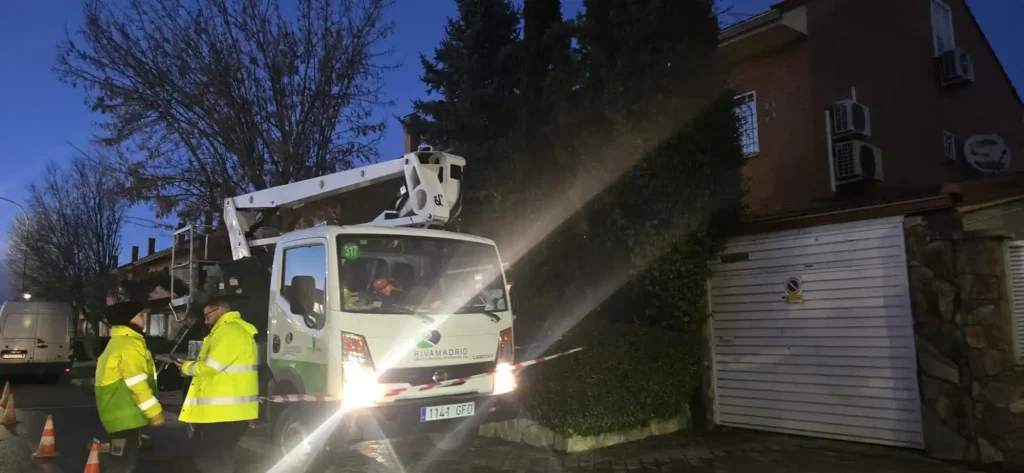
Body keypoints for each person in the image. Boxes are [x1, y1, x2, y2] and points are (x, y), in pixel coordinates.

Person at [175, 296, 258, 473]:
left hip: (222, 413)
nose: (206, 321)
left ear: (220, 310)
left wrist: (186, 367)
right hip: (228, 412)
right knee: (219, 456)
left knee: (209, 456)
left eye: (207, 316)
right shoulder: (233, 331)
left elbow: (211, 367)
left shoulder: (228, 331)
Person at [94, 301, 164, 473]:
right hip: (125, 412)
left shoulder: (119, 341)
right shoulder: (129, 345)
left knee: (121, 457)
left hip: (121, 411)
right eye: (140, 316)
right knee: (122, 462)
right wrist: (154, 412)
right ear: (128, 320)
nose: (143, 319)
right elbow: (137, 383)